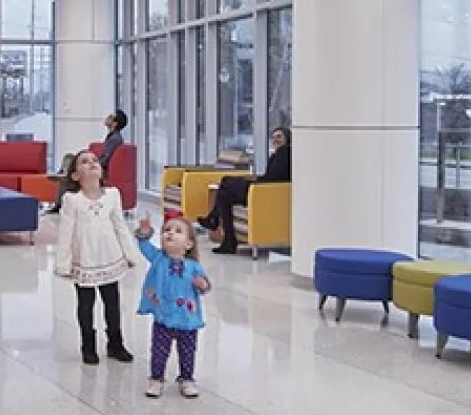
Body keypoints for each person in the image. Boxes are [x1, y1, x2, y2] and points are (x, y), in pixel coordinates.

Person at [52, 149, 138, 364]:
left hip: (109, 257)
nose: (91, 163)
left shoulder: (113, 195)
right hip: (86, 259)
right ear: (75, 175)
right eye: (84, 161)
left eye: (95, 160)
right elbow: (65, 233)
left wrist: (130, 253)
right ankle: (88, 345)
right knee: (85, 304)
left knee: (113, 303)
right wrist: (63, 263)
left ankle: (115, 343)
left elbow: (120, 227)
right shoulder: (72, 200)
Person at [135, 211, 209, 398]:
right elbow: (144, 246)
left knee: (188, 352)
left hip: (187, 318)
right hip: (164, 316)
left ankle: (187, 378)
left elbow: (204, 286)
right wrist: (145, 232)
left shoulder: (194, 266)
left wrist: (202, 285)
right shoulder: (158, 258)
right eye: (166, 230)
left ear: (188, 244)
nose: (170, 233)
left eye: (177, 231)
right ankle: (156, 378)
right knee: (159, 351)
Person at [202, 126, 291, 253]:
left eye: (279, 137)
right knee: (223, 196)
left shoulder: (284, 152)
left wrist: (253, 181)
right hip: (262, 191)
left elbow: (271, 178)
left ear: (287, 138)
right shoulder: (279, 154)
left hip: (263, 193)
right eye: (274, 137)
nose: (276, 140)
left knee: (225, 181)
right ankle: (227, 239)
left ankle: (214, 221)